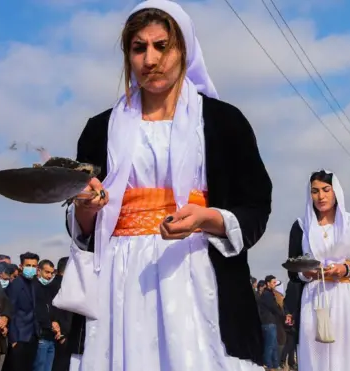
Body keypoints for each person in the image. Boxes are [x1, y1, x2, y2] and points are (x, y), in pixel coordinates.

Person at [59, 1, 272, 370]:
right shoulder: (100, 129)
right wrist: (85, 207)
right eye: (139, 48)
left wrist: (207, 218)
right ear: (128, 55)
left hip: (193, 270)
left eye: (162, 46)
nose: (150, 59)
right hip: (117, 281)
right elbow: (85, 228)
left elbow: (255, 206)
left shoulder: (224, 122)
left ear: (184, 50)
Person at [286, 170, 350, 371]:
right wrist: (306, 272)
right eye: (315, 191)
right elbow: (293, 271)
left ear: (336, 192)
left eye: (326, 190)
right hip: (313, 299)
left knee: (347, 355)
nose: (321, 196)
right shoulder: (301, 226)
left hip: (346, 299)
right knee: (315, 354)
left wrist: (345, 269)